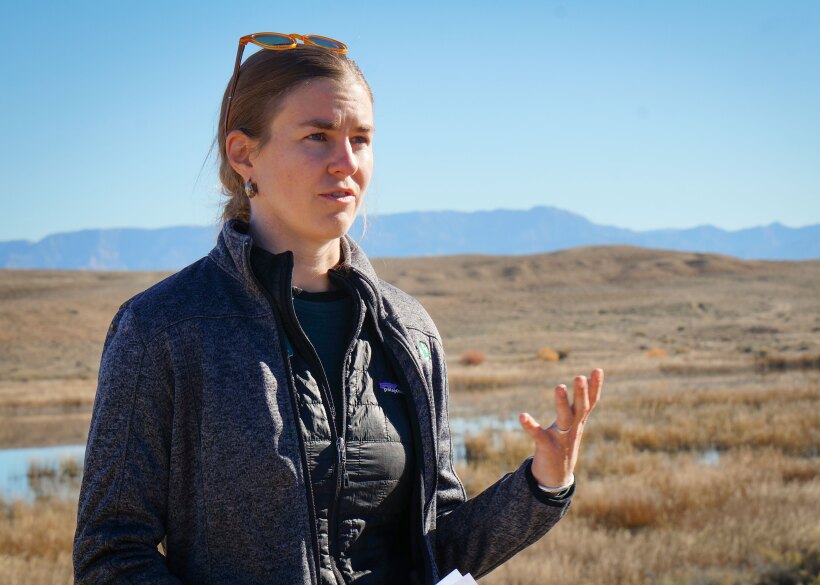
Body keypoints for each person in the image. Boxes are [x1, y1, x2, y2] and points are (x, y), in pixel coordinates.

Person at [73, 32, 604, 585]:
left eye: (361, 138)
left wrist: (543, 483)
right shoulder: (165, 327)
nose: (346, 162)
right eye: (318, 137)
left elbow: (436, 542)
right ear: (243, 154)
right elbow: (112, 553)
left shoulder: (409, 329)